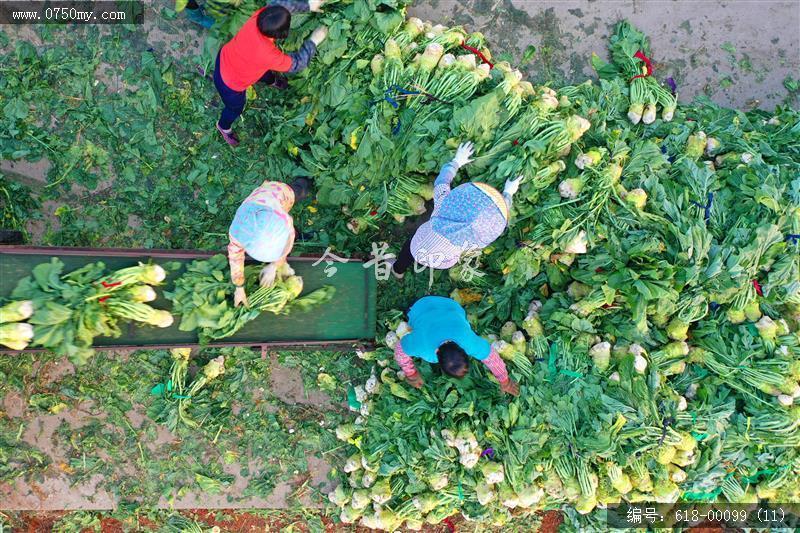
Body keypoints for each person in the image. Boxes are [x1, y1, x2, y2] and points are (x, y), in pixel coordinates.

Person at [390, 142, 523, 278]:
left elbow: (442, 182)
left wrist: (457, 161)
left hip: (419, 243)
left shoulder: (442, 209)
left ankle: (397, 270)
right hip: (444, 259)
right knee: (432, 255)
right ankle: (414, 265)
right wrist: (508, 193)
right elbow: (501, 213)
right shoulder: (479, 238)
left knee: (410, 250)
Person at [214, 1, 328, 146]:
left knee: (259, 69)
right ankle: (223, 126)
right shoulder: (267, 54)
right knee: (235, 107)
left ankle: (272, 80)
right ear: (281, 35)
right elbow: (298, 63)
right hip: (229, 84)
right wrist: (314, 40)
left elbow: (279, 4)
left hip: (226, 56)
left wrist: (309, 5)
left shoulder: (260, 16)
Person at [394, 296, 520, 395]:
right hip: (436, 305)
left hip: (444, 306)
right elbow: (399, 349)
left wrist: (505, 381)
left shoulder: (468, 341)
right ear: (463, 349)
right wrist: (410, 373)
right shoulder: (422, 347)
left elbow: (493, 358)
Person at [228, 177, 312, 307]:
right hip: (259, 201)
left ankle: (304, 183)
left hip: (280, 194)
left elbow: (288, 238)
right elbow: (235, 258)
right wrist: (239, 288)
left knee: (298, 191)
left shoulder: (284, 220)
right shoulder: (237, 234)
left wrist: (275, 265)